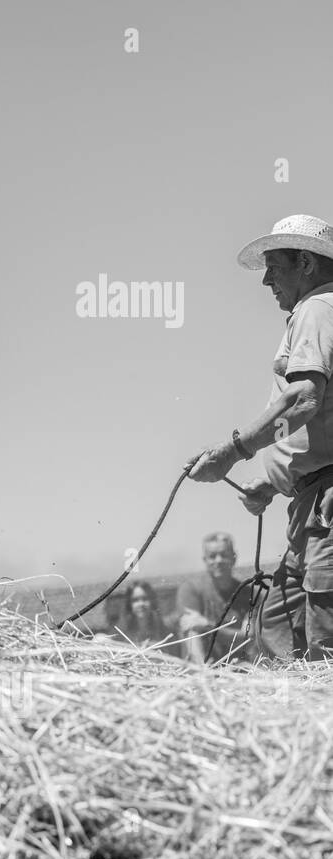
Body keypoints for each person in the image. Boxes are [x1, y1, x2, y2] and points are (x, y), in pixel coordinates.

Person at [187, 215, 333, 661]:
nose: (266, 280)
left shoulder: (317, 308)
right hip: (311, 501)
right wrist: (273, 480)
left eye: (274, 267)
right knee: (277, 624)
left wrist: (233, 452)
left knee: (323, 640)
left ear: (305, 262)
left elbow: (304, 398)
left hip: (325, 503)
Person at [175, 533, 254, 663]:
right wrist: (204, 671)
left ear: (234, 558)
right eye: (212, 556)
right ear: (205, 560)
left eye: (224, 555)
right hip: (202, 667)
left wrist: (207, 626)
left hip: (238, 667)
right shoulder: (191, 590)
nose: (218, 560)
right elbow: (191, 630)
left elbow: (248, 639)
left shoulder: (249, 593)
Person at [115, 580, 191, 659]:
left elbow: (176, 657)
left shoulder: (165, 629)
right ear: (129, 605)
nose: (141, 604)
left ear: (152, 601)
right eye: (135, 600)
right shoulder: (123, 632)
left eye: (145, 599)